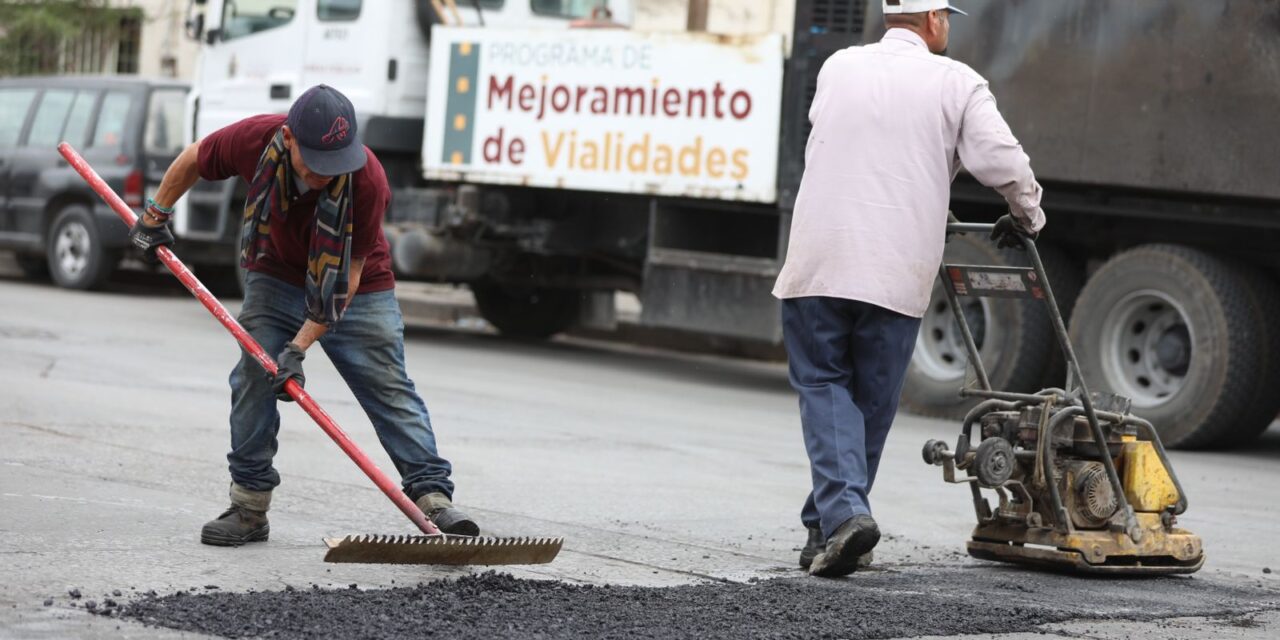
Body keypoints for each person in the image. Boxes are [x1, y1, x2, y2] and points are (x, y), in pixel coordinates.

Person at [129, 84, 478, 546]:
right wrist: (154, 215)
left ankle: (434, 499)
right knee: (253, 378)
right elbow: (195, 157)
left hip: (357, 284)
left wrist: (298, 347)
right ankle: (249, 507)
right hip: (275, 272)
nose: (322, 177)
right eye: (315, 165)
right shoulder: (254, 140)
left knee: (387, 386)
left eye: (334, 165)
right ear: (290, 139)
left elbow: (346, 281)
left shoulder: (367, 177)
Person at [773, 0, 1046, 578]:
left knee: (824, 385)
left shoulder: (839, 66)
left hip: (819, 256)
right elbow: (1005, 162)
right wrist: (1028, 216)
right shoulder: (958, 83)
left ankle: (832, 523)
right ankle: (838, 517)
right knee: (870, 403)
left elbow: (832, 139)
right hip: (894, 269)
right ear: (935, 21)